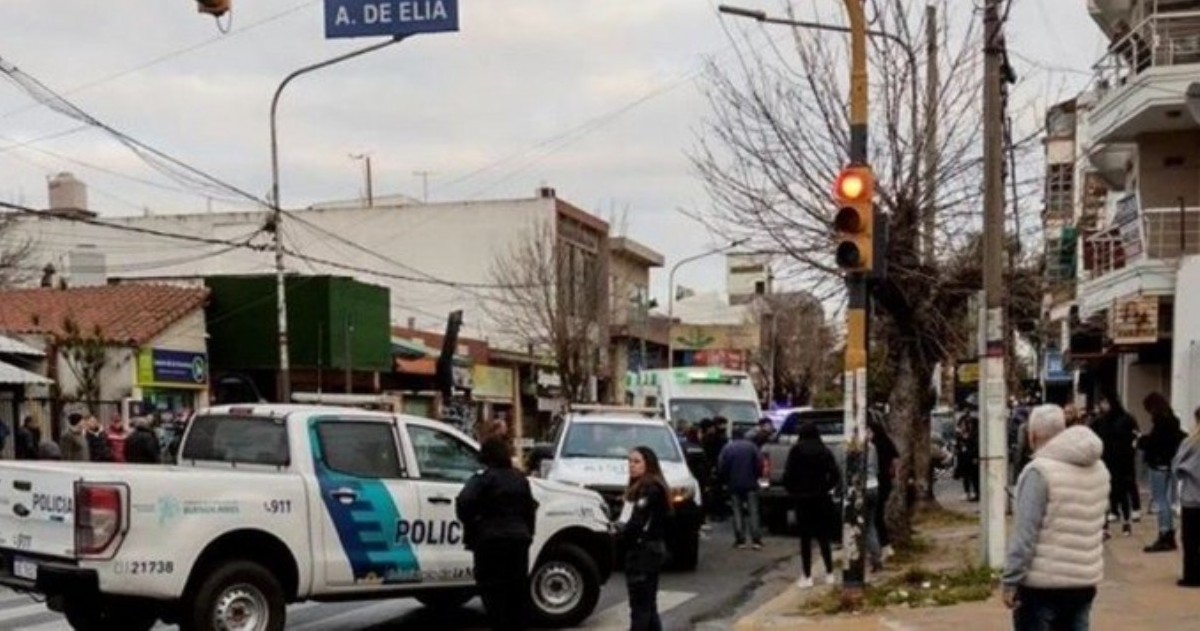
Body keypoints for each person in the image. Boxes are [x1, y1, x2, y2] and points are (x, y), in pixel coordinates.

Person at [1002, 404, 1109, 630]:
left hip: (1042, 584)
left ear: (1032, 436)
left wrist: (1011, 579)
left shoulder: (1039, 472)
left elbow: (1025, 534)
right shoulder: (1098, 468)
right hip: (1083, 580)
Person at [455, 437, 538, 631]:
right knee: (516, 593)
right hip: (518, 541)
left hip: (490, 542)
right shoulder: (519, 479)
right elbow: (530, 509)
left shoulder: (483, 478)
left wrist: (474, 526)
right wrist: (528, 534)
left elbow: (464, 503)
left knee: (493, 594)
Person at [783, 421, 841, 588]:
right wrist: (825, 487)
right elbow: (835, 474)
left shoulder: (796, 451)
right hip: (821, 498)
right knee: (824, 537)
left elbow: (788, 475)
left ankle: (807, 576)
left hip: (802, 500)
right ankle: (829, 573)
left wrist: (794, 491)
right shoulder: (824, 451)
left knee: (805, 539)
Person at [622, 446, 670, 631]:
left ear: (648, 464)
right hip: (650, 550)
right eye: (629, 461)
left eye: (636, 461)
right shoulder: (649, 486)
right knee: (648, 605)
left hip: (643, 552)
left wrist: (621, 534)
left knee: (640, 607)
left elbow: (637, 523)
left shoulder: (648, 489)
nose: (631, 466)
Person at [1139, 393, 1185, 552]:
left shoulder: (1160, 423)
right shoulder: (1173, 421)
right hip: (1170, 463)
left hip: (1158, 463)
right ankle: (1169, 534)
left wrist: (1141, 441)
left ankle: (1164, 533)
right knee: (1168, 500)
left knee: (1160, 501)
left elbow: (1154, 443)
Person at [1091, 391, 1138, 538]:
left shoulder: (1126, 419)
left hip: (1122, 462)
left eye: (1105, 402)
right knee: (1105, 495)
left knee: (1122, 493)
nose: (1103, 406)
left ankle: (1126, 522)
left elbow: (1135, 437)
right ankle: (1105, 527)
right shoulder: (1100, 421)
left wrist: (1130, 452)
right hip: (1105, 462)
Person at [717, 427, 764, 550]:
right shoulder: (752, 447)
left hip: (734, 484)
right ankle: (756, 539)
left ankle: (740, 539)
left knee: (737, 511)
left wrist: (725, 480)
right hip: (751, 483)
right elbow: (760, 463)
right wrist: (757, 475)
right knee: (753, 511)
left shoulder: (727, 448)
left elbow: (721, 466)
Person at [1173, 407, 1200, 587]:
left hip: (1192, 497)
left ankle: (1191, 575)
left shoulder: (1190, 442)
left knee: (1190, 539)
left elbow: (1177, 466)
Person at [868, 415, 899, 559]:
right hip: (886, 482)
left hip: (877, 482)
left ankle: (884, 546)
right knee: (877, 515)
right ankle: (883, 545)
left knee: (876, 517)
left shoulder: (874, 446)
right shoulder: (886, 442)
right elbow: (894, 461)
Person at [956, 407, 981, 502]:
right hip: (964, 457)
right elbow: (959, 444)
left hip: (971, 455)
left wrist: (975, 456)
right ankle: (968, 492)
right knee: (966, 476)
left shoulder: (974, 433)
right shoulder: (961, 435)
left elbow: (975, 444)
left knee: (974, 476)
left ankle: (977, 493)